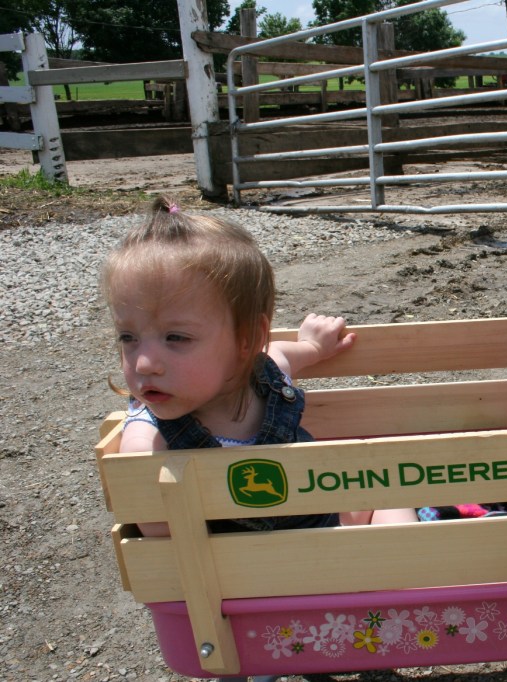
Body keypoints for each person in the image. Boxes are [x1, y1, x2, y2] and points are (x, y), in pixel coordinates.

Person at [102, 196, 417, 534]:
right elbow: (159, 540)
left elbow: (285, 353)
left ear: (247, 340)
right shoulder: (148, 441)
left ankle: (405, 570)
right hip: (255, 574)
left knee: (390, 492)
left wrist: (312, 345)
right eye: (128, 338)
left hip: (323, 525)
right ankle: (400, 574)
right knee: (391, 497)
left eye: (176, 338)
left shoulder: (265, 375)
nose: (145, 363)